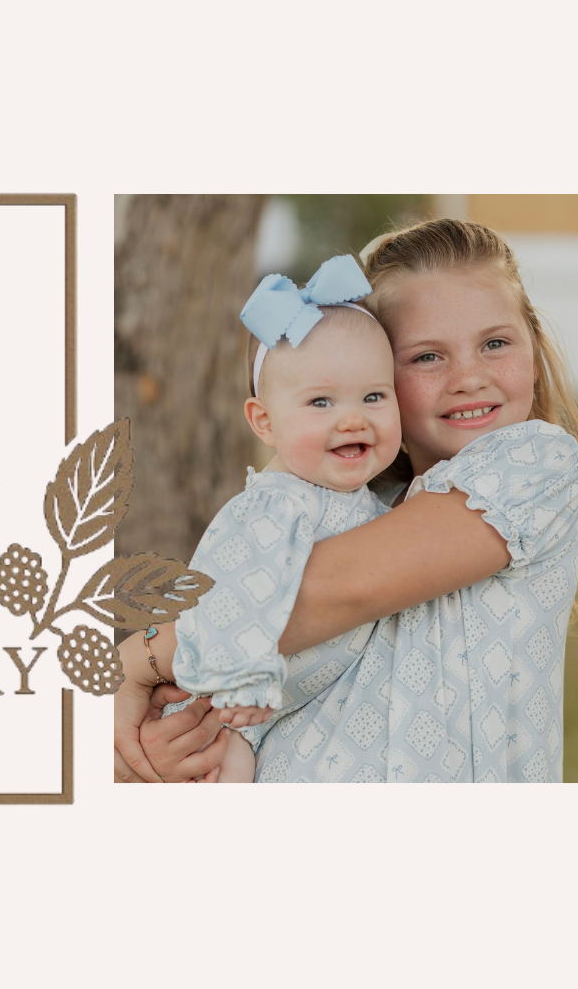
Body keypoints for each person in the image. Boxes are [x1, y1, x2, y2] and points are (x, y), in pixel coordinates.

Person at [115, 217, 578, 783]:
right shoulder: (344, 506)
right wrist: (177, 743)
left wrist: (140, 660)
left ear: (534, 352)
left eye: (495, 344)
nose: (468, 377)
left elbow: (339, 589)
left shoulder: (539, 464)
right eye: (427, 357)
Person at [112, 256, 400, 782]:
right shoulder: (276, 505)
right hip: (222, 711)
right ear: (264, 422)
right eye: (320, 402)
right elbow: (231, 593)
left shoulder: (366, 500)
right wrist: (239, 678)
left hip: (283, 711)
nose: (353, 417)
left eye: (374, 396)